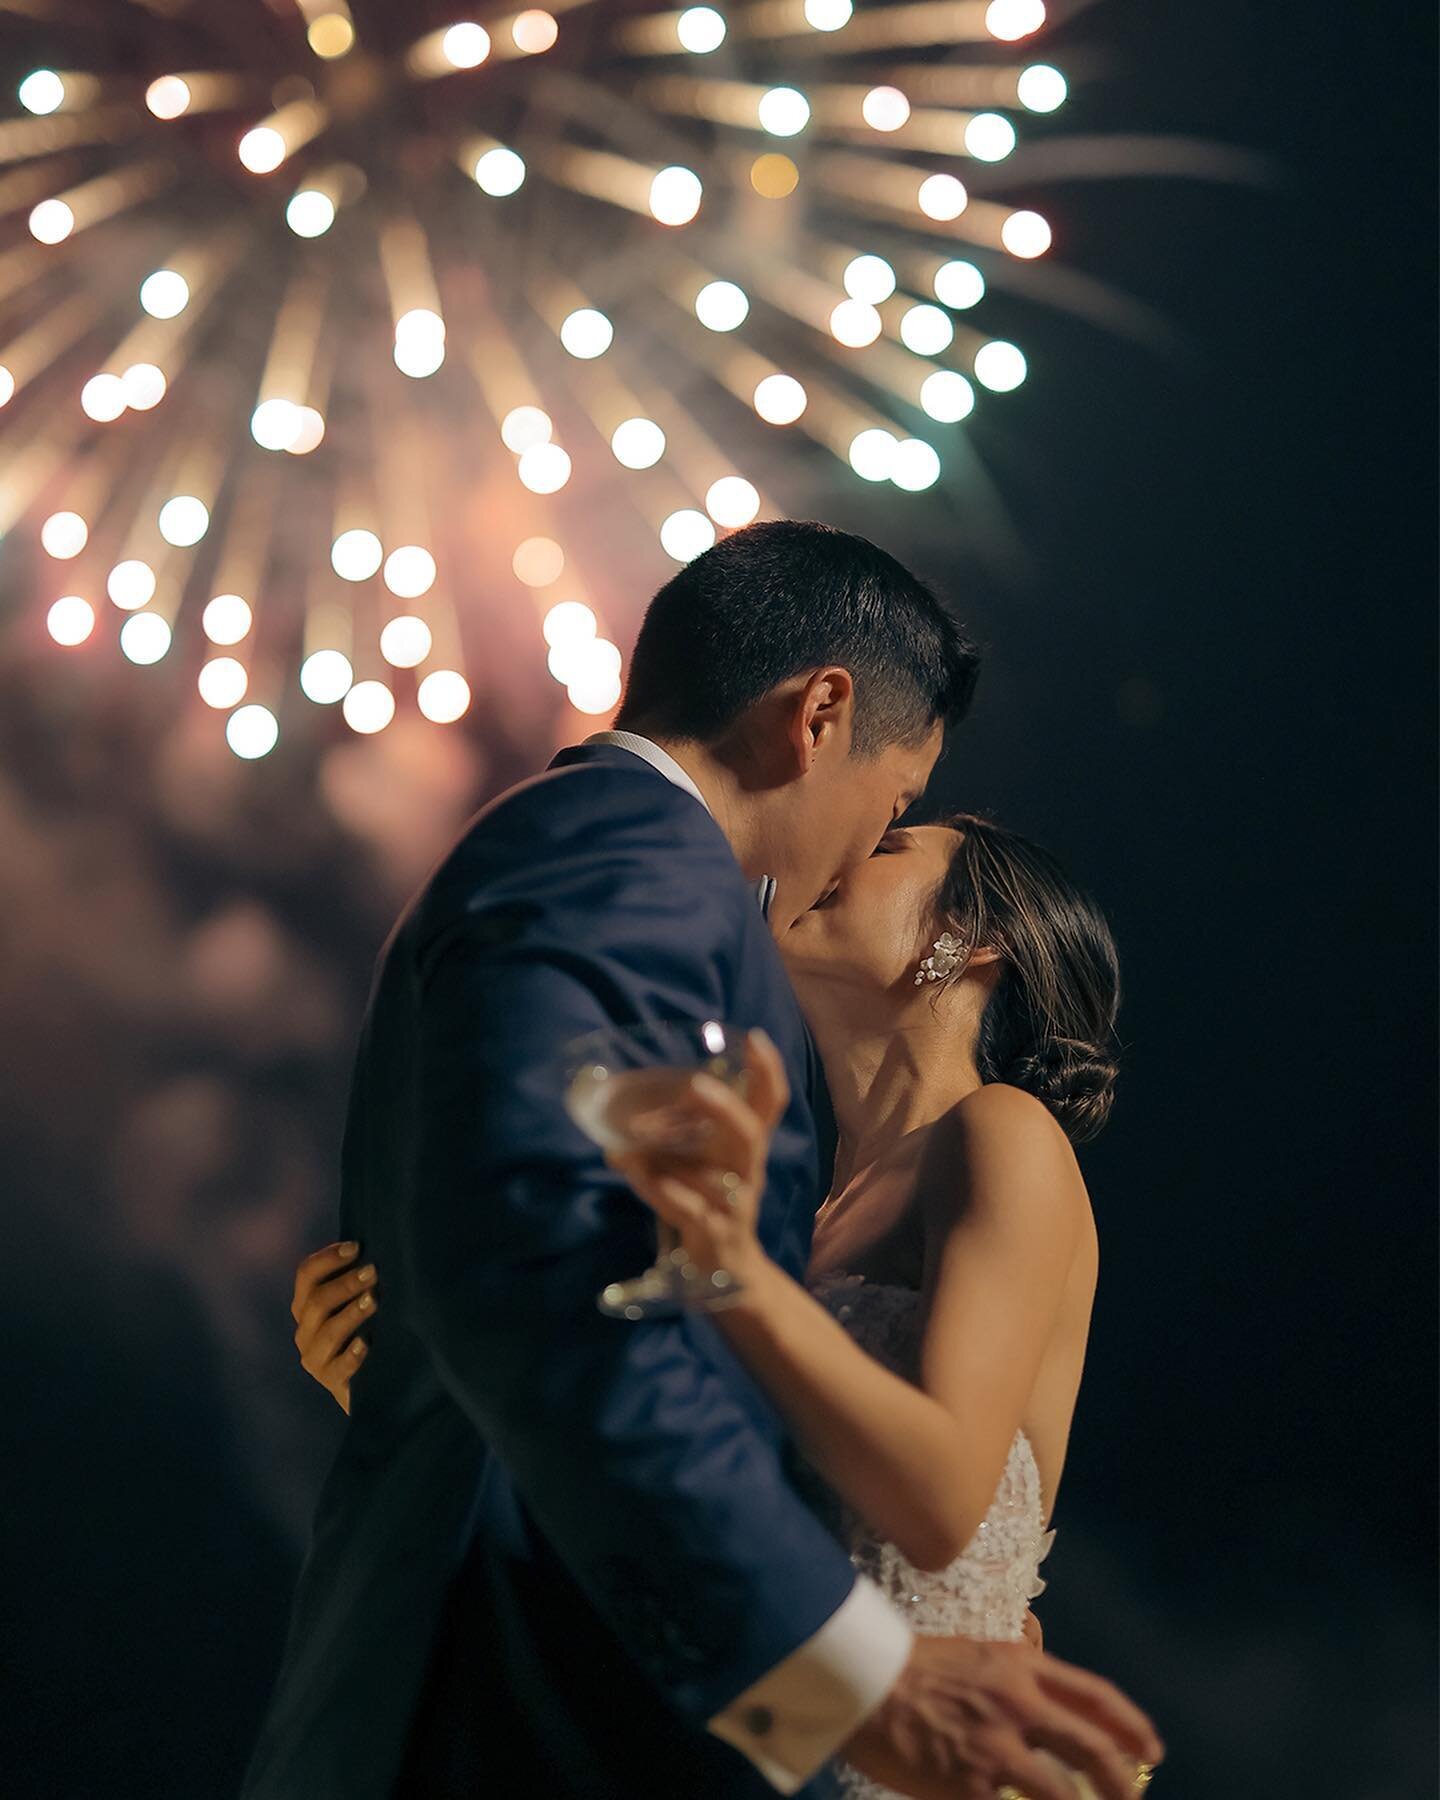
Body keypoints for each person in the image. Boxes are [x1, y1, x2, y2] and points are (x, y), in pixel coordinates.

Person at [251, 520, 1162, 1800]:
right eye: (891, 806)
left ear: (971, 950)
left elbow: (921, 1491)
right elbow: (602, 1367)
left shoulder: (992, 1139)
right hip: (765, 1734)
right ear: (819, 714)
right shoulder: (676, 956)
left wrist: (641, 1295)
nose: (858, 845)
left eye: (896, 834)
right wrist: (427, 1366)